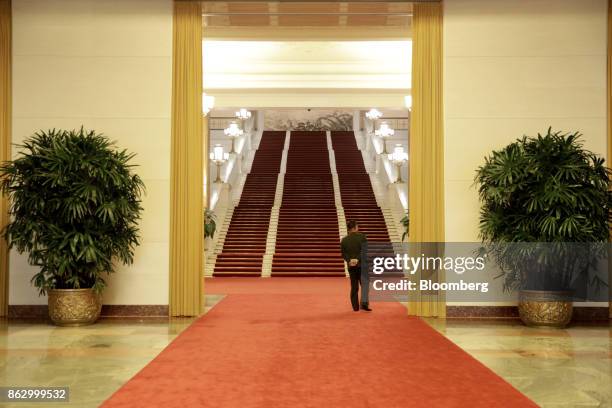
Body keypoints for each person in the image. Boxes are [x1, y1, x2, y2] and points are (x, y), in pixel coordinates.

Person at [340, 220, 371, 312]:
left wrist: (349, 260)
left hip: (351, 266)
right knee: (365, 285)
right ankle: (364, 304)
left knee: (354, 286)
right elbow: (364, 250)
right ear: (354, 228)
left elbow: (343, 254)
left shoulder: (344, 240)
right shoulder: (362, 237)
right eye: (357, 226)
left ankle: (355, 307)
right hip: (362, 265)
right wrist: (357, 259)